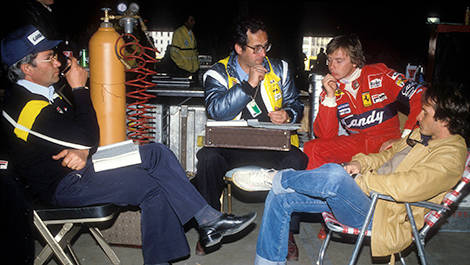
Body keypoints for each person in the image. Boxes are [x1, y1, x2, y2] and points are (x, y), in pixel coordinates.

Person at [0, 25, 256, 265]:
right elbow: (88, 136)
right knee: (150, 187)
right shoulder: (25, 107)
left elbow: (79, 137)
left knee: (156, 152)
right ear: (26, 68)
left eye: (55, 55)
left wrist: (81, 146)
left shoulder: (45, 92)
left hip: (84, 165)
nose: (58, 62)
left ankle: (208, 220)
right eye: (49, 58)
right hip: (64, 185)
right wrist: (79, 89)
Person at [253, 82, 470, 265]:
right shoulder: (420, 135)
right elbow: (386, 157)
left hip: (385, 214)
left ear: (444, 120)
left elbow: (407, 186)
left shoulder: (450, 156)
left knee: (335, 176)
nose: (418, 116)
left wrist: (361, 181)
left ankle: (276, 177)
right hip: (363, 199)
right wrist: (359, 163)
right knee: (280, 198)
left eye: (426, 112)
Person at [193, 17, 308, 258]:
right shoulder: (217, 72)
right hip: (230, 145)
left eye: (265, 46)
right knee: (207, 158)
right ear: (238, 48)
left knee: (297, 160)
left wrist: (288, 114)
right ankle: (209, 226)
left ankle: (286, 231)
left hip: (272, 144)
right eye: (255, 48)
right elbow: (216, 110)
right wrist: (248, 85)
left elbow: (295, 104)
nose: (262, 53)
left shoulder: (280, 68)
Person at [303, 34, 425, 170]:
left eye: (338, 61)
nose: (332, 66)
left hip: (388, 142)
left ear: (355, 61)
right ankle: (316, 189)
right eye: (329, 60)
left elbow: (420, 94)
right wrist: (330, 97)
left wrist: (405, 138)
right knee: (313, 147)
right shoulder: (330, 89)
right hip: (359, 143)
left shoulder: (379, 75)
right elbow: (325, 136)